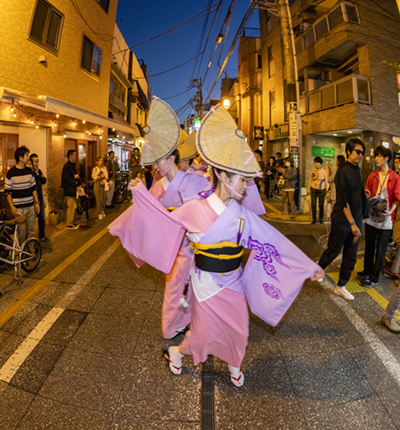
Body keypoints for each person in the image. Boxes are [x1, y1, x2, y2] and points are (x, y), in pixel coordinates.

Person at [110, 104, 323, 387]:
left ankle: (234, 364)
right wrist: (139, 192)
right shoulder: (194, 209)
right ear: (223, 176)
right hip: (206, 282)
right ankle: (176, 351)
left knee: (240, 329)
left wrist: (308, 267)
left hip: (234, 281)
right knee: (202, 333)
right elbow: (161, 221)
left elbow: (273, 241)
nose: (247, 186)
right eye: (242, 179)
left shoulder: (241, 214)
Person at [317, 138, 367, 300]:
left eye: (362, 152)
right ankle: (318, 269)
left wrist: (364, 195)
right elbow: (343, 200)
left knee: (351, 256)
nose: (360, 155)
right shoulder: (342, 171)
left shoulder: (358, 169)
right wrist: (352, 224)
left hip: (356, 222)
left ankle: (341, 287)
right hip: (342, 221)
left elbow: (354, 193)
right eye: (357, 152)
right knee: (333, 250)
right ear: (347, 153)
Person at [357, 145, 400, 287]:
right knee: (369, 245)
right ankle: (366, 270)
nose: (376, 159)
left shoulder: (395, 177)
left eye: (379, 156)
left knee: (381, 249)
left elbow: (397, 198)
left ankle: (374, 278)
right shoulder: (372, 174)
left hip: (386, 218)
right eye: (376, 156)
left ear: (386, 158)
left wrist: (390, 211)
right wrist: (367, 193)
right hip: (372, 216)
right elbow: (367, 190)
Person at [5, 145, 40, 242]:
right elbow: (8, 192)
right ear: (20, 158)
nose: (28, 157)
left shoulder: (29, 171)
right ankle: (22, 254)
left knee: (31, 232)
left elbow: (34, 188)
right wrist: (12, 207)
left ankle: (31, 252)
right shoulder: (10, 173)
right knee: (22, 233)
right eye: (27, 155)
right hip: (19, 209)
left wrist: (36, 202)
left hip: (30, 207)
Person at [30, 153, 50, 243]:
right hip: (32, 201)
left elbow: (44, 180)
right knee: (32, 220)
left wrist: (38, 174)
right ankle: (30, 240)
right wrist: (37, 175)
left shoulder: (39, 171)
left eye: (37, 161)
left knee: (42, 218)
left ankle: (41, 236)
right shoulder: (29, 173)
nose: (36, 163)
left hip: (40, 199)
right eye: (35, 161)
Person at [61, 149, 80, 229]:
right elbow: (68, 178)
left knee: (73, 207)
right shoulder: (67, 166)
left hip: (72, 189)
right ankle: (69, 224)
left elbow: (73, 176)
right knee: (71, 207)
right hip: (69, 190)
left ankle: (72, 222)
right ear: (70, 156)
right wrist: (76, 185)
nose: (76, 157)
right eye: (74, 155)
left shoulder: (72, 165)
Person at [308, 156, 328, 224]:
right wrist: (308, 190)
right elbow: (310, 180)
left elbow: (326, 181)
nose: (316, 164)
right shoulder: (312, 170)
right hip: (313, 189)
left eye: (318, 163)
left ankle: (321, 219)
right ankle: (314, 219)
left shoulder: (324, 171)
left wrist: (327, 191)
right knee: (313, 204)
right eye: (315, 163)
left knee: (321, 205)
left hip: (321, 190)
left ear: (321, 164)